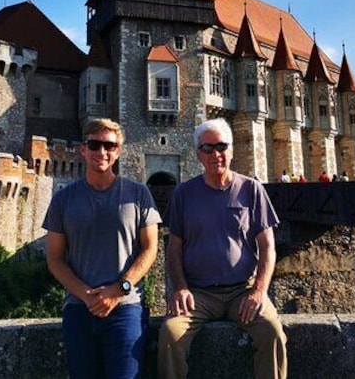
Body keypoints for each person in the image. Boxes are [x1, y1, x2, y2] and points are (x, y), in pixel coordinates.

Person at [158, 118, 287, 379]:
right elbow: (173, 249)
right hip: (199, 294)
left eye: (221, 146)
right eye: (207, 148)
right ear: (198, 154)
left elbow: (267, 247)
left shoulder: (252, 189)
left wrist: (259, 291)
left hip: (243, 290)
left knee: (272, 332)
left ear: (231, 150)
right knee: (170, 335)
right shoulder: (184, 193)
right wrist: (180, 288)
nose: (215, 154)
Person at [43, 118, 161, 379]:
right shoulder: (63, 199)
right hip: (78, 308)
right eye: (94, 145)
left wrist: (120, 289)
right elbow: (54, 259)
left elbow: (151, 249)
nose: (102, 152)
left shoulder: (139, 194)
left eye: (109, 146)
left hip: (126, 307)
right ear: (83, 149)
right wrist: (86, 295)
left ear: (118, 150)